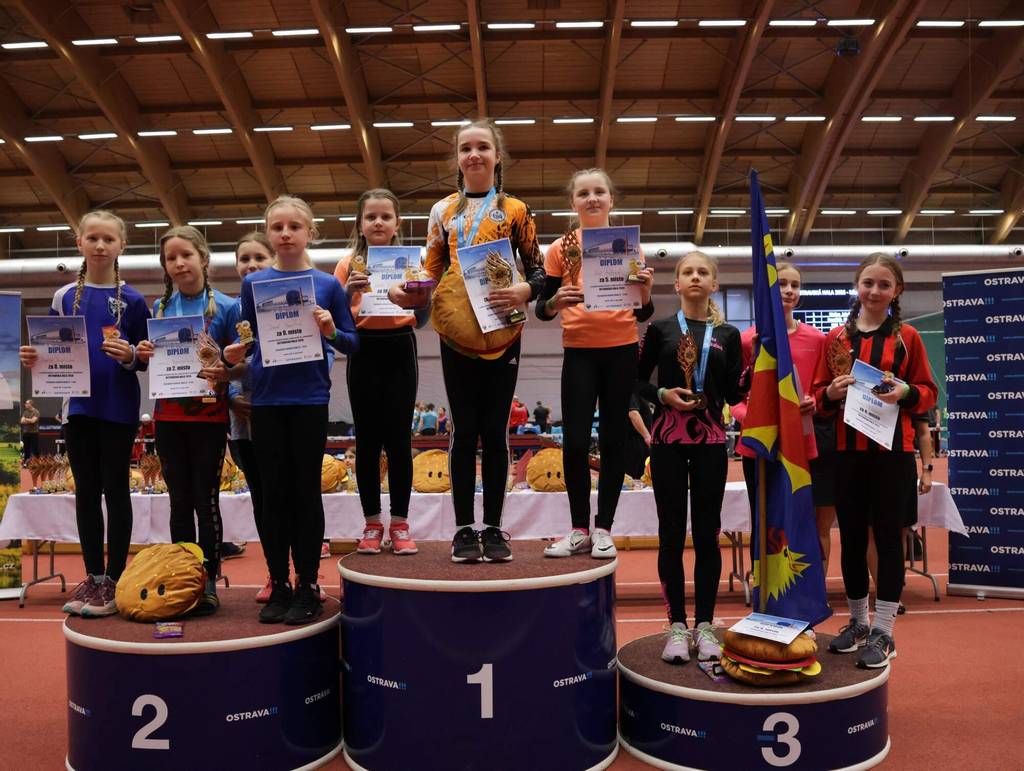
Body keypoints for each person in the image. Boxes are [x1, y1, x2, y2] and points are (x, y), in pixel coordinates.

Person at [389, 118, 544, 563]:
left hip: (503, 328)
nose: (474, 154)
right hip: (456, 332)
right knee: (464, 431)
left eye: (482, 147)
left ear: (497, 156)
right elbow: (430, 271)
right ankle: (462, 530)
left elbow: (538, 270)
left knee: (495, 431)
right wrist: (406, 292)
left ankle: (493, 527)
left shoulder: (516, 210)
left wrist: (525, 290)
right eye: (465, 148)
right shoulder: (442, 212)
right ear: (457, 159)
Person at [226, 195, 358, 625]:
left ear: (310, 233)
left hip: (309, 400)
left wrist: (330, 330)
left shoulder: (327, 285)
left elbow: (352, 342)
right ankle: (279, 583)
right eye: (277, 227)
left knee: (305, 494)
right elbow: (248, 338)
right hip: (265, 401)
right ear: (268, 233)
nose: (285, 234)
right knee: (273, 496)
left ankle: (308, 584)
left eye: (294, 227)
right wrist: (235, 352)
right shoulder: (253, 285)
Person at [19, 210, 150, 617]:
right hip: (76, 408)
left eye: (108, 239)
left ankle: (115, 578)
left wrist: (130, 354)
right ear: (79, 242)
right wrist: (34, 358)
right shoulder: (62, 296)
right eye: (92, 238)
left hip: (119, 408)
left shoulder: (133, 300)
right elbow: (51, 348)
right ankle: (93, 577)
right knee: (87, 493)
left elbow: (147, 358)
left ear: (121, 245)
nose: (100, 245)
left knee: (116, 490)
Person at [813, 253, 937, 668]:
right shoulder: (836, 339)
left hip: (892, 454)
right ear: (857, 285)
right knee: (850, 537)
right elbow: (818, 395)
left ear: (897, 290)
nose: (875, 291)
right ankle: (858, 623)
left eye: (884, 284)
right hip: (847, 453)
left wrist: (905, 393)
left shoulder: (908, 337)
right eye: (868, 282)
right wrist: (830, 393)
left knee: (887, 540)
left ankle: (884, 631)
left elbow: (928, 392)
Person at [536, 168, 655, 559]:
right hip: (579, 352)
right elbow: (542, 309)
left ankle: (604, 529)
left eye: (599, 192)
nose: (592, 198)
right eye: (584, 193)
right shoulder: (560, 248)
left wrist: (645, 292)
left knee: (613, 440)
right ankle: (578, 529)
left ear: (610, 200)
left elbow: (643, 312)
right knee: (573, 442)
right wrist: (555, 302)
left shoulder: (629, 247)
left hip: (622, 350)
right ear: (573, 202)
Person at [636, 251, 747, 664]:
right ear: (677, 284)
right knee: (670, 534)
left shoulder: (729, 335)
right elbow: (636, 381)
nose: (695, 277)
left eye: (703, 272)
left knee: (706, 535)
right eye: (688, 272)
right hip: (667, 440)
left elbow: (734, 394)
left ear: (714, 284)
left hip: (711, 442)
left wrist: (758, 368)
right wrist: (662, 394)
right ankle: (677, 626)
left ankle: (705, 624)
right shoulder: (660, 330)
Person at [135, 226, 238, 615]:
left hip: (209, 418)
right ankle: (183, 576)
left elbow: (239, 362)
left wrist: (225, 367)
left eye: (186, 255)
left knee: (205, 500)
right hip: (169, 417)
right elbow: (150, 360)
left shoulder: (227, 307)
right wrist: (145, 351)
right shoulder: (159, 309)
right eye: (171, 258)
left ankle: (208, 578)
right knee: (178, 501)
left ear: (203, 259)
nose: (179, 263)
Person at [334, 188, 422, 556]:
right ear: (360, 224)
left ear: (397, 223)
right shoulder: (347, 265)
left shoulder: (412, 263)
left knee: (399, 440)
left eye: (386, 216)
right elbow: (336, 318)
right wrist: (345, 293)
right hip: (363, 349)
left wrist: (419, 296)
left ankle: (400, 524)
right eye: (371, 217)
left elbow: (423, 314)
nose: (378, 222)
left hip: (400, 346)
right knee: (368, 441)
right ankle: (372, 522)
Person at [730, 262, 830, 576]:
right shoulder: (747, 340)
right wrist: (752, 419)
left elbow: (820, 390)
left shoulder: (817, 339)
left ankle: (800, 582)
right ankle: (764, 580)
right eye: (781, 284)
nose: (788, 291)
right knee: (762, 515)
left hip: (801, 443)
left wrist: (814, 402)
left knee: (800, 514)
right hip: (759, 445)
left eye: (794, 285)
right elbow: (735, 398)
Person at [225, 232, 275, 600]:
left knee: (287, 496)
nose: (251, 265)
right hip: (243, 421)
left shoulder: (285, 299)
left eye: (259, 257)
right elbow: (215, 359)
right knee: (261, 498)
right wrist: (231, 397)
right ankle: (275, 572)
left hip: (281, 412)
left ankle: (301, 571)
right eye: (244, 259)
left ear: (273, 260)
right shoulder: (231, 310)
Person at [19, 399, 40, 465]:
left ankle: (37, 462)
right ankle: (26, 462)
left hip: (34, 433)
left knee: (35, 449)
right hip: (26, 433)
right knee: (26, 449)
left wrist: (26, 419)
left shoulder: (36, 412)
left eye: (26, 403)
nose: (25, 405)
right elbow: (22, 421)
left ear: (30, 404)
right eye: (25, 403)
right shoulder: (25, 412)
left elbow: (33, 421)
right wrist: (29, 420)